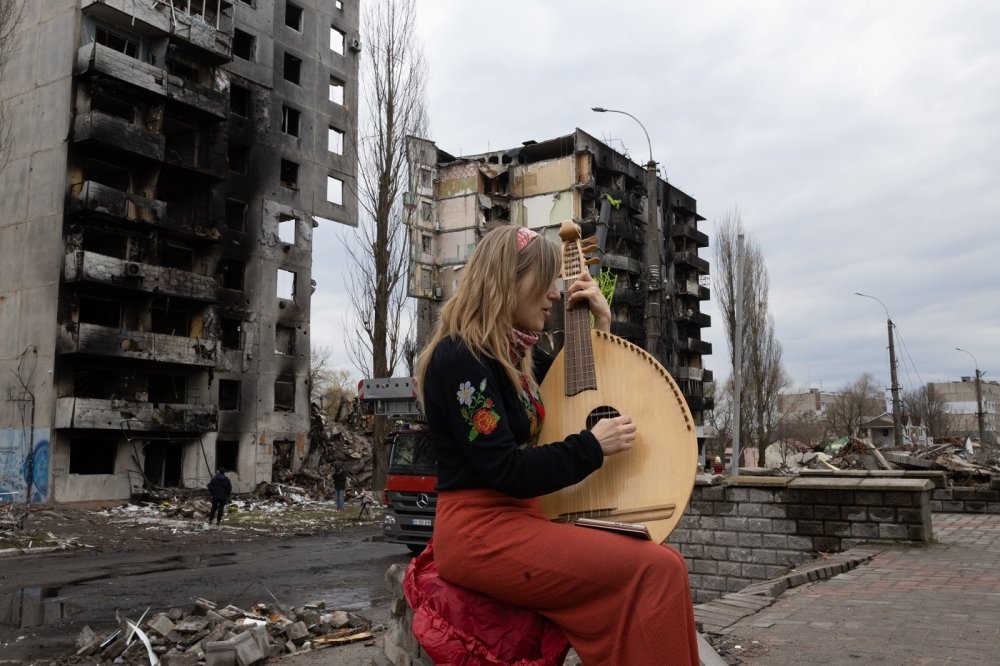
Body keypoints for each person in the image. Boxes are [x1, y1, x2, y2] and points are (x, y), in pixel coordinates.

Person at [410, 225, 699, 665]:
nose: (553, 295)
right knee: (655, 570)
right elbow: (508, 470)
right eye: (545, 281)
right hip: (480, 533)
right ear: (509, 280)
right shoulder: (461, 359)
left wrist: (601, 324)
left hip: (521, 521)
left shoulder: (516, 356)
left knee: (667, 565)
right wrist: (591, 447)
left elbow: (587, 386)